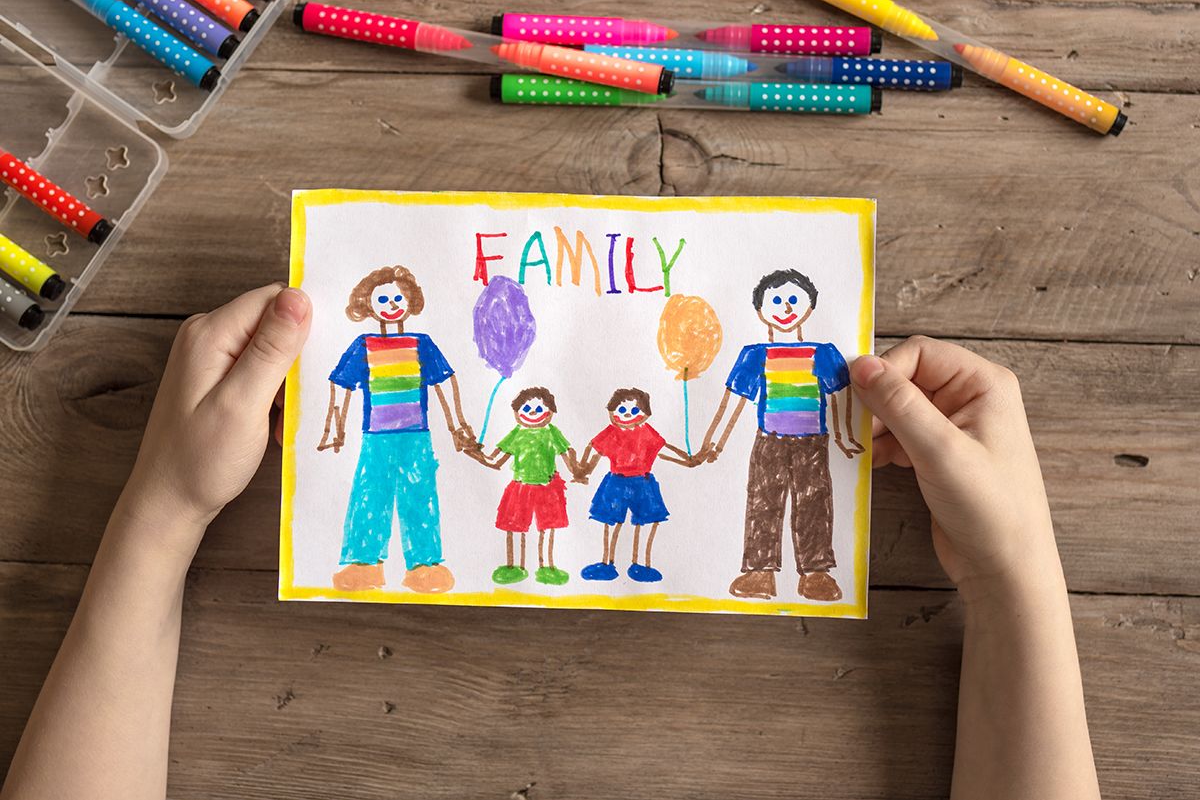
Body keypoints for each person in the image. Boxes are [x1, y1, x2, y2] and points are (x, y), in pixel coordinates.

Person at [0, 287, 1101, 800]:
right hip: (706, 451)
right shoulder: (764, 366)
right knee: (751, 519)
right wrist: (1014, 582)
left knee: (427, 509)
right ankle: (764, 559)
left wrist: (163, 511)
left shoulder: (809, 364)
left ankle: (774, 559)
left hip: (784, 453)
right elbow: (713, 415)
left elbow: (450, 411)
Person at [696, 268, 864, 603]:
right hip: (768, 441)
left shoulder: (824, 353)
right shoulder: (755, 355)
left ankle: (816, 573)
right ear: (760, 311)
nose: (785, 307)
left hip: (812, 444)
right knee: (763, 504)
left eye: (792, 300)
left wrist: (845, 436)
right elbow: (733, 400)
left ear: (809, 308)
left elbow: (840, 397)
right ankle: (759, 573)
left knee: (814, 504)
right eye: (776, 300)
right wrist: (714, 442)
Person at [317, 265, 479, 594]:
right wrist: (335, 429)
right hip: (375, 437)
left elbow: (444, 385)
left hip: (416, 435)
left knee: (419, 496)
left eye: (398, 298)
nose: (391, 304)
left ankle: (424, 564)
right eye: (384, 299)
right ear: (368, 305)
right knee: (370, 495)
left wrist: (458, 426)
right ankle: (364, 564)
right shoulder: (363, 345)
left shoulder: (422, 344)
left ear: (410, 301)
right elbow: (341, 386)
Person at [573, 388, 695, 583]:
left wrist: (687, 459)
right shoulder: (611, 433)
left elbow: (662, 450)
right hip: (616, 481)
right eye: (622, 410)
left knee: (647, 521)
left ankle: (641, 565)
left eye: (635, 411)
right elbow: (594, 450)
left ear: (645, 414)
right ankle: (606, 564)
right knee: (610, 521)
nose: (628, 414)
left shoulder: (646, 432)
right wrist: (583, 470)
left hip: (643, 482)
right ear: (612, 412)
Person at [470, 387, 578, 586]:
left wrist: (577, 470)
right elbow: (496, 460)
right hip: (521, 487)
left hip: (548, 486)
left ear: (551, 411)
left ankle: (547, 567)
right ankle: (514, 566)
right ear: (517, 412)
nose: (533, 412)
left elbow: (567, 452)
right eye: (526, 408)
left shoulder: (552, 432)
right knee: (515, 527)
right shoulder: (517, 433)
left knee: (548, 527)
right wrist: (475, 452)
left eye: (539, 408)